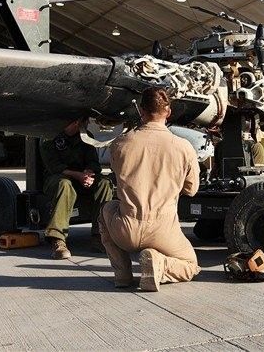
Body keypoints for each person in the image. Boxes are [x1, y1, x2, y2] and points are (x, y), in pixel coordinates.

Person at [99, 87, 200, 291]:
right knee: (190, 265)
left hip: (126, 229)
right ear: (168, 111)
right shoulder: (184, 147)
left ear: (141, 111)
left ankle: (122, 275)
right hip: (163, 230)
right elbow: (191, 190)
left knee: (107, 209)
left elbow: (118, 175)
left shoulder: (119, 144)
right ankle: (159, 264)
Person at [40, 117, 113, 259]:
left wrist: (88, 174)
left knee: (104, 183)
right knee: (65, 185)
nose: (80, 124)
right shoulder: (49, 138)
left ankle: (99, 235)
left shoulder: (85, 137)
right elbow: (55, 167)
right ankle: (58, 239)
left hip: (81, 178)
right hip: (57, 178)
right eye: (76, 121)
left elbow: (93, 162)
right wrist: (79, 176)